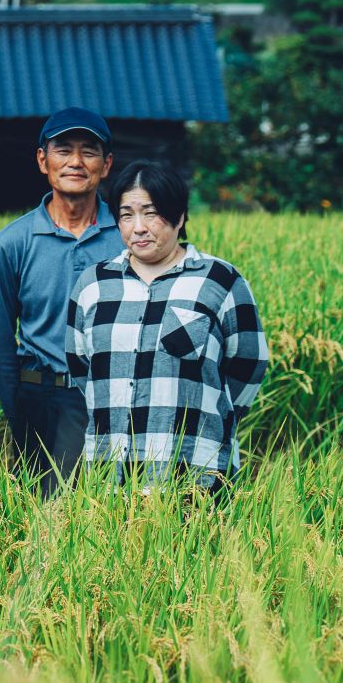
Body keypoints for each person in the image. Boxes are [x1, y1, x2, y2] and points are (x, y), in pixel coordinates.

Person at [68, 162, 268, 493]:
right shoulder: (93, 284)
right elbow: (80, 368)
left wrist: (211, 420)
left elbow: (248, 364)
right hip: (108, 477)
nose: (139, 228)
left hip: (194, 474)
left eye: (151, 213)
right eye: (127, 215)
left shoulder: (218, 281)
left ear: (179, 216)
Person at [0, 107, 125, 495]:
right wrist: (19, 412)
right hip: (41, 398)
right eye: (63, 150)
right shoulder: (14, 242)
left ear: (107, 164)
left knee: (118, 514)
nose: (76, 162)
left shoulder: (127, 238)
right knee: (46, 523)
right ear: (43, 160)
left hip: (114, 398)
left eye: (89, 151)